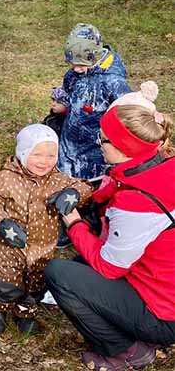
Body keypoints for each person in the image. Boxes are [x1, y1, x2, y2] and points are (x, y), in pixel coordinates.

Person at [45, 95, 175, 371]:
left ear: (123, 147)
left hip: (165, 312)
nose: (97, 142)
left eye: (103, 139)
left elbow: (109, 267)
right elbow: (118, 185)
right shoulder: (161, 167)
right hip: (164, 283)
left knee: (60, 274)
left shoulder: (137, 203)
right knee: (80, 264)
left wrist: (73, 221)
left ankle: (125, 350)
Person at [0, 124, 93, 335]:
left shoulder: (57, 179)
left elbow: (85, 186)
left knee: (36, 283)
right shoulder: (7, 177)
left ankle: (26, 312)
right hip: (11, 245)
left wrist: (73, 194)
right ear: (23, 153)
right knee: (7, 280)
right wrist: (2, 221)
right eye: (37, 154)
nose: (44, 161)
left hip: (43, 246)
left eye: (51, 155)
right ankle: (0, 309)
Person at [58, 23, 131, 180]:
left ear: (95, 56)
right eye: (72, 64)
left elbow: (128, 113)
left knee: (90, 188)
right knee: (65, 181)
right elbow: (68, 89)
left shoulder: (112, 82)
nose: (75, 68)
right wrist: (62, 102)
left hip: (95, 151)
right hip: (69, 143)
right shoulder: (75, 73)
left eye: (81, 65)